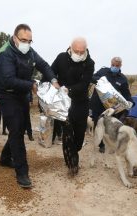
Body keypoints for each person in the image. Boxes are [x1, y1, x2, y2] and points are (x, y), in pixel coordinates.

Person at [0, 24, 59, 188]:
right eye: (23, 40)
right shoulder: (5, 54)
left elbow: (43, 65)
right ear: (15, 38)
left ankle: (4, 159)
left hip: (21, 94)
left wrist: (53, 80)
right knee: (16, 132)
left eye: (30, 41)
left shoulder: (29, 51)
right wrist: (31, 85)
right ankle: (22, 173)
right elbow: (8, 80)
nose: (27, 43)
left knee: (20, 128)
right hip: (7, 94)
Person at [51, 37, 95, 172]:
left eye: (82, 52)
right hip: (64, 104)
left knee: (79, 136)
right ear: (71, 48)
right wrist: (52, 84)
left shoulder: (89, 63)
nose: (79, 54)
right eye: (77, 51)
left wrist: (68, 89)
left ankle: (74, 151)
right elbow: (51, 72)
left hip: (81, 102)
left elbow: (84, 84)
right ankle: (72, 162)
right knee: (68, 132)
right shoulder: (61, 58)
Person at [90, 57, 134, 153]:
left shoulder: (122, 79)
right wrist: (101, 81)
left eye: (117, 66)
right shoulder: (103, 71)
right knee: (97, 124)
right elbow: (92, 78)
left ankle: (108, 143)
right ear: (111, 63)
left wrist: (131, 102)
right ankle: (101, 145)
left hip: (110, 106)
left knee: (108, 125)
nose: (114, 67)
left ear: (120, 66)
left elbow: (126, 94)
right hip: (97, 103)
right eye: (113, 65)